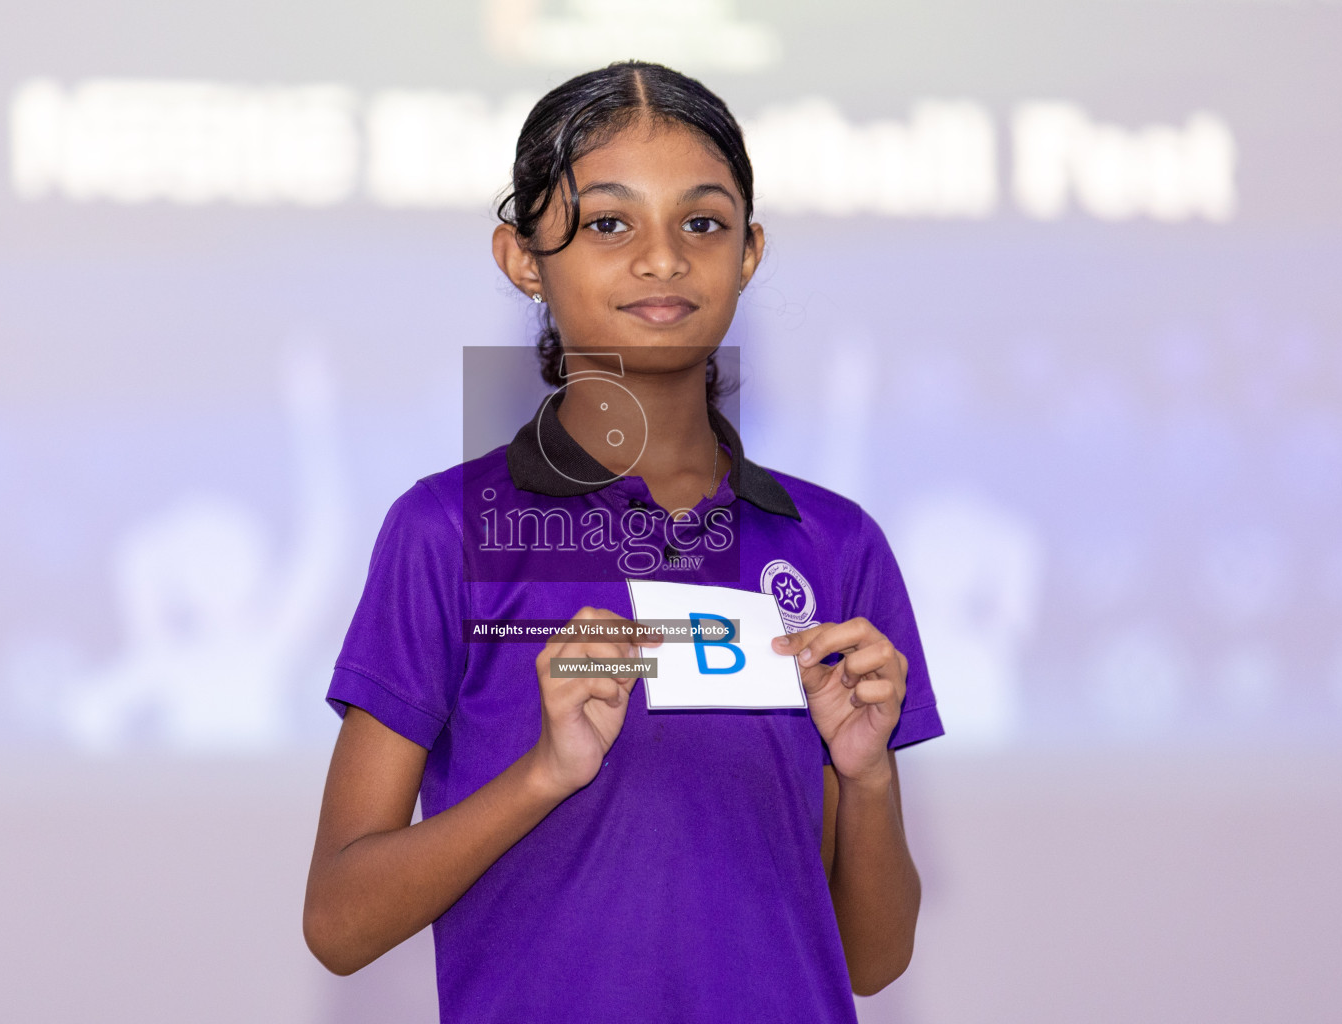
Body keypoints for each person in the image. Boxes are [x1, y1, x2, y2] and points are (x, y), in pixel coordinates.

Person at [303, 62, 945, 1023]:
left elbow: (876, 958)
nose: (663, 259)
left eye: (703, 222)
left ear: (750, 251)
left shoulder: (834, 543)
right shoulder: (449, 531)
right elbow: (339, 925)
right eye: (610, 223)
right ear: (523, 257)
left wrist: (868, 773)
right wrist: (544, 774)